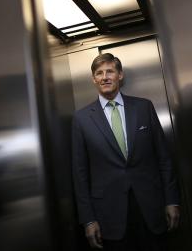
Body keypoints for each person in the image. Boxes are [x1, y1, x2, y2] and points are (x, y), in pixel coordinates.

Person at [71, 53, 180, 251]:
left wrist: (172, 200)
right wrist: (88, 220)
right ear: (93, 79)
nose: (105, 77)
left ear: (120, 75)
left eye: (110, 71)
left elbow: (164, 158)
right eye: (99, 73)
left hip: (151, 208)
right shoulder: (82, 119)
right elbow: (80, 174)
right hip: (109, 215)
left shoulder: (143, 107)